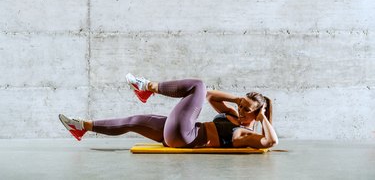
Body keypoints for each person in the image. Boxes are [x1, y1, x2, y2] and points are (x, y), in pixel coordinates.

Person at [59, 73, 278, 149]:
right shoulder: (232, 114)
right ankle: (82, 127)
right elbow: (210, 96)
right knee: (134, 120)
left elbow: (271, 142)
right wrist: (238, 99)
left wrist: (262, 119)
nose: (240, 111)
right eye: (241, 106)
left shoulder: (245, 134)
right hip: (183, 133)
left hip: (187, 136)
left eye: (246, 110)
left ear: (257, 114)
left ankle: (146, 87)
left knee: (198, 85)